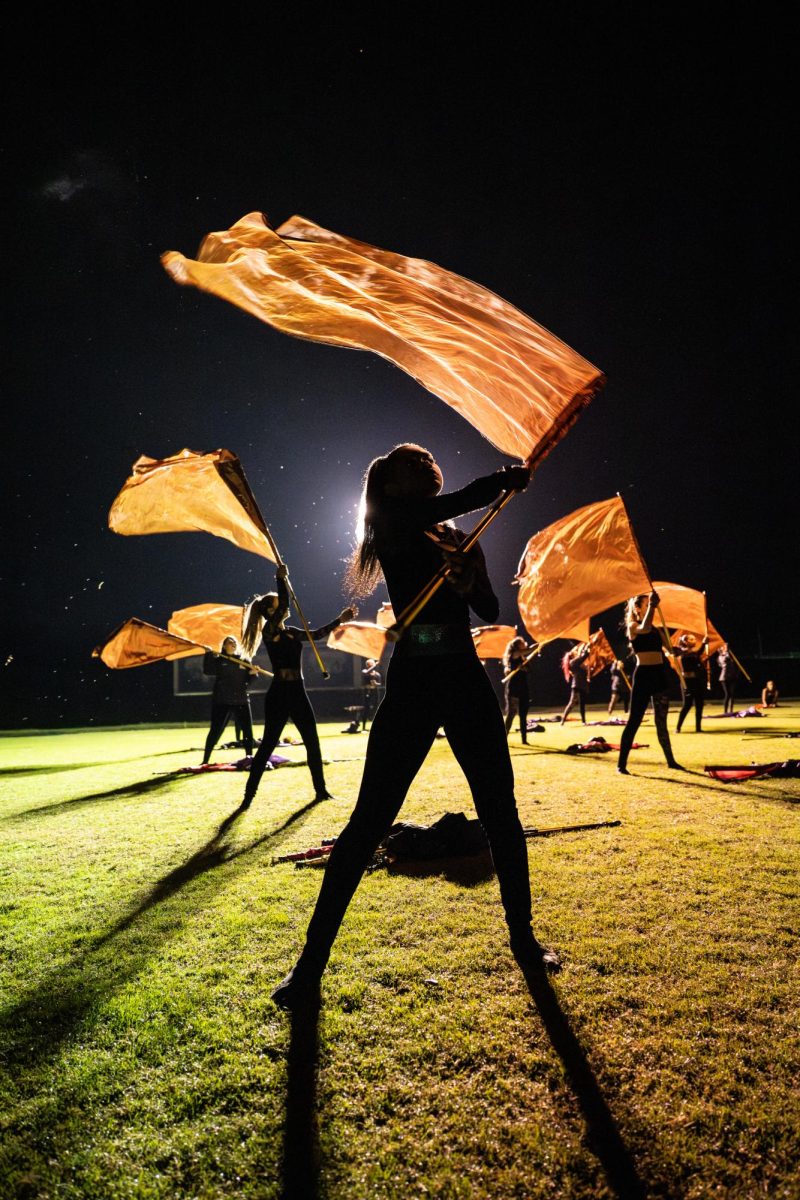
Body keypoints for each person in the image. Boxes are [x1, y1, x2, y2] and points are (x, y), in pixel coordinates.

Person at [271, 443, 559, 1010]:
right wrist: (501, 481)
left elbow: (491, 609)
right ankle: (309, 967)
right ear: (390, 483)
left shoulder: (450, 533)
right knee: (368, 821)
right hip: (414, 683)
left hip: (463, 674)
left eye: (427, 462)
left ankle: (525, 941)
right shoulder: (391, 523)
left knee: (501, 809)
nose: (424, 466)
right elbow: (457, 499)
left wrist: (469, 576)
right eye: (411, 464)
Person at [240, 564, 354, 806]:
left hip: (298, 692)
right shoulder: (269, 632)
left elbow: (316, 635)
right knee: (268, 745)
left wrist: (339, 620)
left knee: (312, 742)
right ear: (271, 612)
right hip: (279, 694)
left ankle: (321, 791)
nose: (283, 607)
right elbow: (285, 604)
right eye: (277, 604)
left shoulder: (290, 632)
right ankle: (248, 797)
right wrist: (281, 579)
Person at [616, 591, 683, 775]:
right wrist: (653, 606)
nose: (650, 607)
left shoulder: (656, 628)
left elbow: (670, 649)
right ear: (637, 608)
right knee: (634, 721)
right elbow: (644, 628)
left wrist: (680, 649)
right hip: (643, 676)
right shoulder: (633, 626)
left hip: (659, 675)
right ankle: (621, 765)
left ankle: (671, 761)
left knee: (661, 721)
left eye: (651, 604)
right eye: (646, 604)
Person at [200, 636, 257, 765]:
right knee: (215, 730)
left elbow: (249, 681)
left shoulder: (244, 660)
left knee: (247, 731)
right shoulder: (219, 660)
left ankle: (249, 758)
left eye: (234, 643)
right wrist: (208, 654)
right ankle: (205, 760)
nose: (233, 644)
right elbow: (207, 671)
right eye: (229, 643)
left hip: (241, 700)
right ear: (224, 646)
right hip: (222, 701)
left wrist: (254, 674)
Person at [674, 633, 710, 733]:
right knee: (687, 705)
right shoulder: (681, 652)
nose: (694, 641)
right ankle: (678, 727)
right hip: (687, 682)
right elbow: (694, 654)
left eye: (694, 639)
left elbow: (697, 655)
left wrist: (704, 644)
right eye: (691, 639)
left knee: (699, 704)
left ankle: (698, 728)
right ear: (685, 642)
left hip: (697, 681)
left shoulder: (694, 653)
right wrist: (703, 644)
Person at [502, 635, 533, 743]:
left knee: (523, 715)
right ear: (517, 646)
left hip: (524, 688)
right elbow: (529, 650)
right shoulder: (514, 655)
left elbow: (528, 670)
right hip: (514, 689)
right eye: (522, 642)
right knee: (511, 714)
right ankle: (503, 737)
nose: (524, 643)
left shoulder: (523, 658)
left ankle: (524, 740)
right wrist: (539, 644)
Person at [560, 642, 590, 724]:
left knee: (580, 703)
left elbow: (583, 658)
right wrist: (587, 647)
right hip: (578, 684)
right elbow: (584, 656)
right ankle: (563, 720)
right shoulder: (573, 662)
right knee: (572, 703)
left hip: (580, 684)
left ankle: (583, 721)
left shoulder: (575, 663)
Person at [717, 643, 740, 714]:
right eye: (723, 647)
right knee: (727, 694)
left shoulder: (731, 655)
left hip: (732, 676)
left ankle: (731, 710)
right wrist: (726, 652)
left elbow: (735, 663)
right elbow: (724, 662)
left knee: (732, 694)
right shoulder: (720, 657)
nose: (726, 647)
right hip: (724, 677)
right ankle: (725, 711)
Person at [361, 657, 383, 729]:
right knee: (366, 708)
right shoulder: (364, 671)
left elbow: (380, 683)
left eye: (370, 664)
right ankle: (363, 727)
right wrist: (375, 665)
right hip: (367, 691)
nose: (368, 665)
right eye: (367, 664)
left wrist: (376, 684)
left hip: (375, 691)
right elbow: (367, 672)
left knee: (376, 707)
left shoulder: (377, 674)